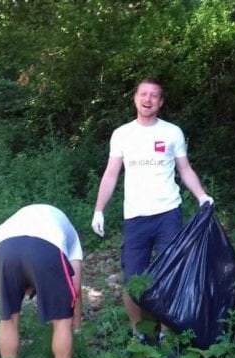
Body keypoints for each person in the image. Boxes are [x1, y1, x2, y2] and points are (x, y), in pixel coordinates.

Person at [91, 77, 213, 343]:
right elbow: (111, 174)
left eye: (154, 96)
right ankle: (139, 332)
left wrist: (202, 196)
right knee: (133, 277)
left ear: (160, 102)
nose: (148, 100)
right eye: (143, 94)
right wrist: (99, 209)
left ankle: (167, 335)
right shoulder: (122, 134)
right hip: (135, 217)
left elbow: (185, 169)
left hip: (168, 213)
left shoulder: (172, 133)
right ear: (135, 98)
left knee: (171, 272)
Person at [0, 204, 83, 358]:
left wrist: (20, 292)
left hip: (3, 250)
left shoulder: (7, 226)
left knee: (7, 319)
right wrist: (76, 329)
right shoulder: (72, 239)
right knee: (62, 321)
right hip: (45, 248)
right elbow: (75, 290)